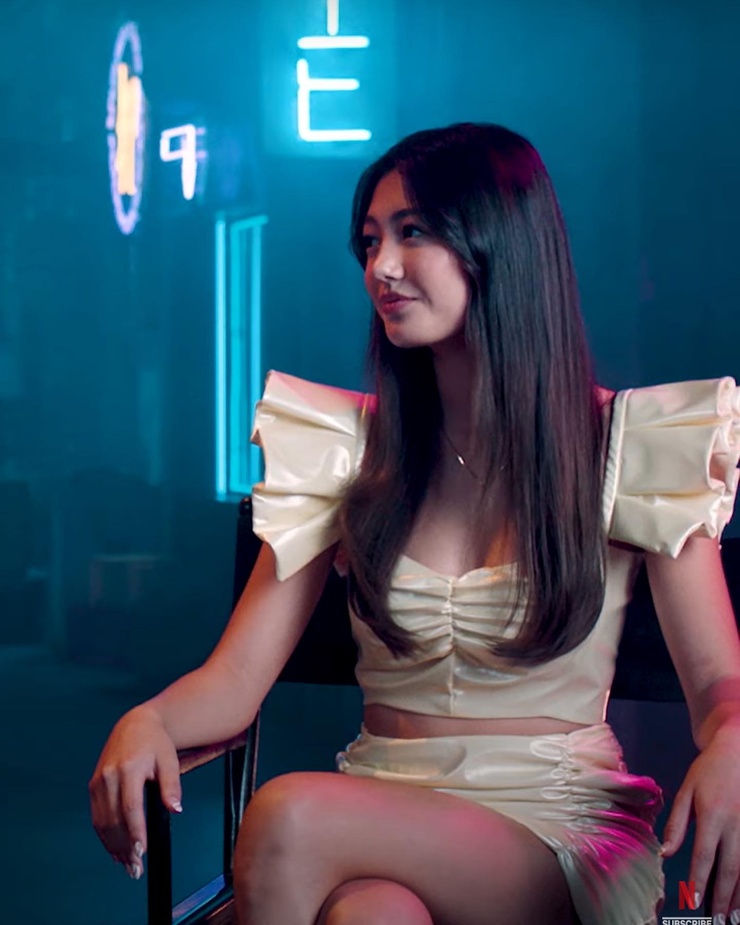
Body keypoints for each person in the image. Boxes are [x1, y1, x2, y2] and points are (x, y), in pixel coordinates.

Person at [90, 123, 740, 925]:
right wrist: (148, 718)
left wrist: (733, 740)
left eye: (413, 232)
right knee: (367, 915)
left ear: (500, 243)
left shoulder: (628, 444)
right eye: (370, 241)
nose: (381, 267)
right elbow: (234, 681)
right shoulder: (348, 451)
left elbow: (720, 683)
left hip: (553, 822)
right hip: (377, 808)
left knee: (288, 817)